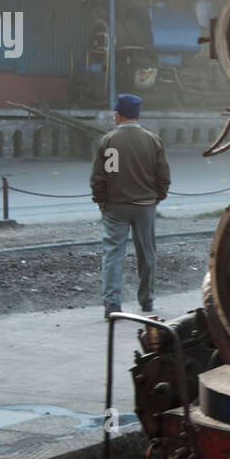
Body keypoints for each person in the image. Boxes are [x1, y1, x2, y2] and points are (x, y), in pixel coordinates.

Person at [91, 93, 170, 319]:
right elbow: (163, 176)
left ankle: (112, 305)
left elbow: (99, 177)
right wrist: (156, 198)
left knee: (113, 254)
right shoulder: (153, 140)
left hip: (115, 207)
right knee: (147, 252)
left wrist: (101, 200)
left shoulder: (108, 141)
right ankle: (146, 300)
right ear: (137, 115)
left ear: (118, 115)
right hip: (145, 205)